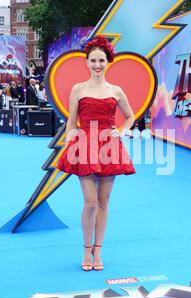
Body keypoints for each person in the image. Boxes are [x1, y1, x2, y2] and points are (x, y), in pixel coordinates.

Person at [56, 36, 136, 271]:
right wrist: (70, 138)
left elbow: (130, 116)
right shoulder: (78, 89)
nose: (97, 64)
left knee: (104, 201)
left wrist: (121, 131)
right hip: (85, 145)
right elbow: (71, 121)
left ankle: (98, 251)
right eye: (93, 60)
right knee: (90, 203)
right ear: (87, 62)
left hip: (108, 146)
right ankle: (85, 249)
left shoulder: (116, 90)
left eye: (101, 60)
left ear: (108, 61)